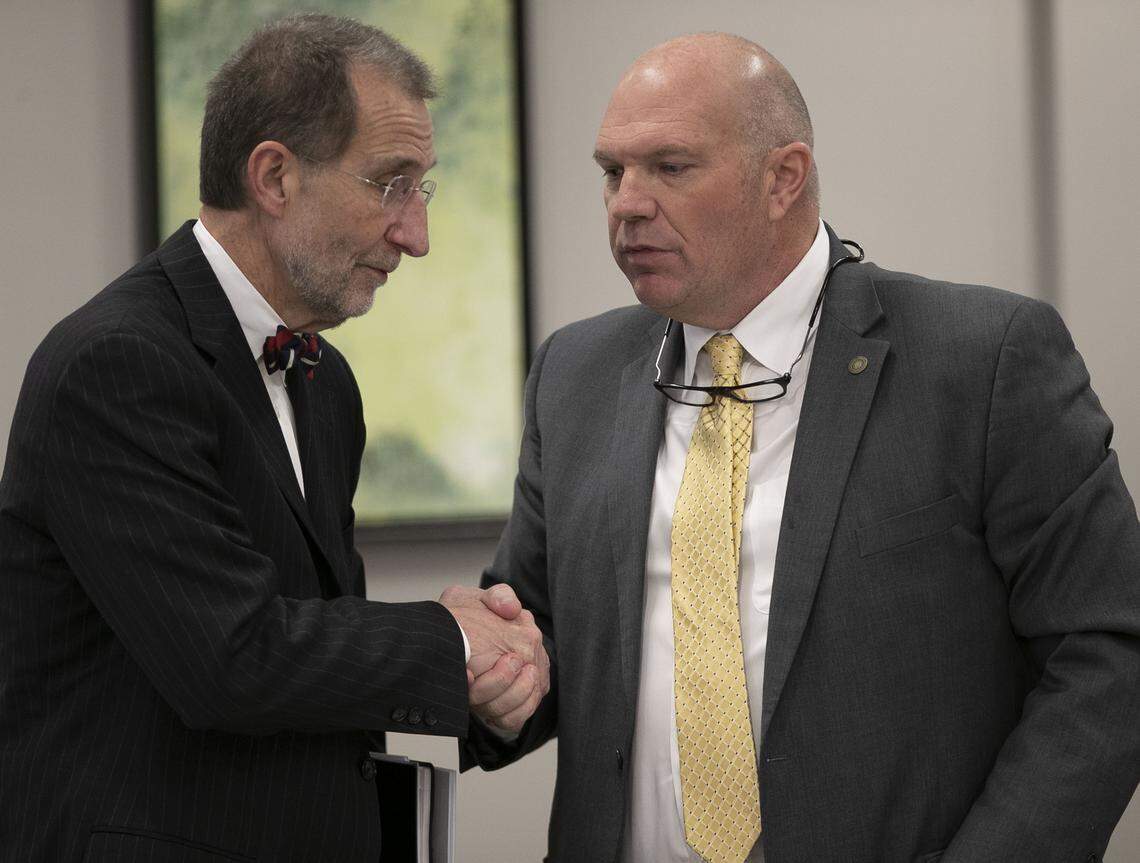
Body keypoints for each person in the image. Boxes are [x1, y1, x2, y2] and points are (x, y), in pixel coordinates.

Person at [461, 32, 1140, 863]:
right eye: (613, 171)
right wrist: (489, 671)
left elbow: (1110, 647)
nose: (627, 204)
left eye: (669, 167)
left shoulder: (982, 358)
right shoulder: (574, 374)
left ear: (783, 177)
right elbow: (532, 642)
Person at [0, 14, 546, 863]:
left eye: (422, 190)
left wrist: (485, 683)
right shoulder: (114, 363)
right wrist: (458, 640)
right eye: (391, 184)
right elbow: (230, 658)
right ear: (275, 177)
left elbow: (317, 648)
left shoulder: (327, 383)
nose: (416, 235)